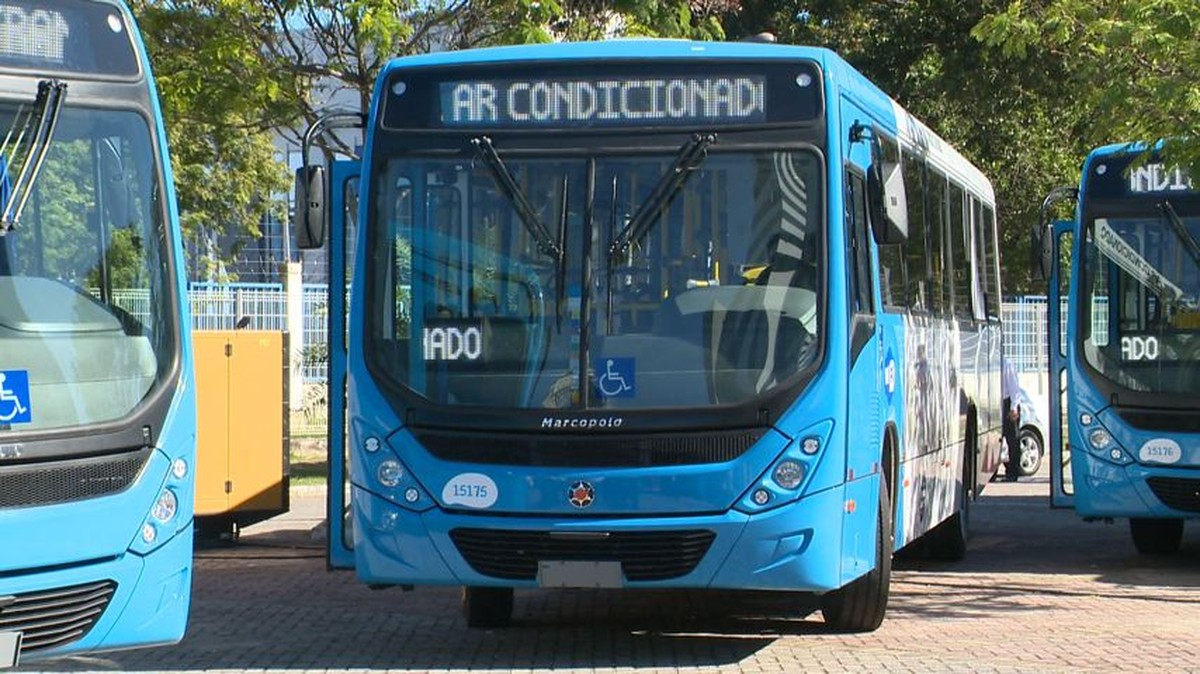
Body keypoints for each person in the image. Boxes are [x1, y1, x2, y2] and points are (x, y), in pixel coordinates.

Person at [1002, 355, 1021, 481]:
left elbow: (1014, 387)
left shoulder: (1006, 363)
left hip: (1008, 402)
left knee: (1012, 439)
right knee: (995, 438)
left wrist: (1014, 407)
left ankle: (1013, 471)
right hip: (994, 402)